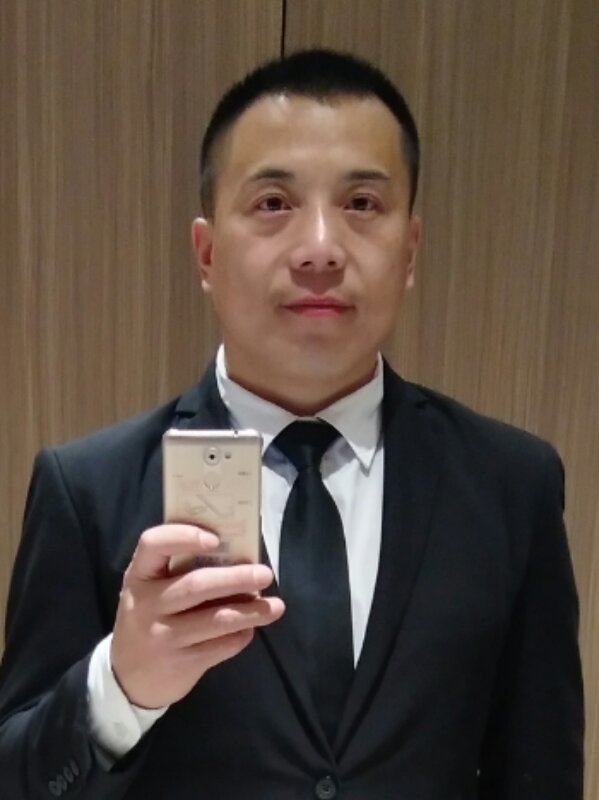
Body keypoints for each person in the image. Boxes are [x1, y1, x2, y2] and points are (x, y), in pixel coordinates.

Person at [0, 49, 583, 799]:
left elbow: (540, 769)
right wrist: (121, 686)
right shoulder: (89, 490)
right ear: (207, 253)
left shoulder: (510, 485)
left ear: (410, 250)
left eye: (362, 204)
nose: (319, 249)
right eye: (273, 203)